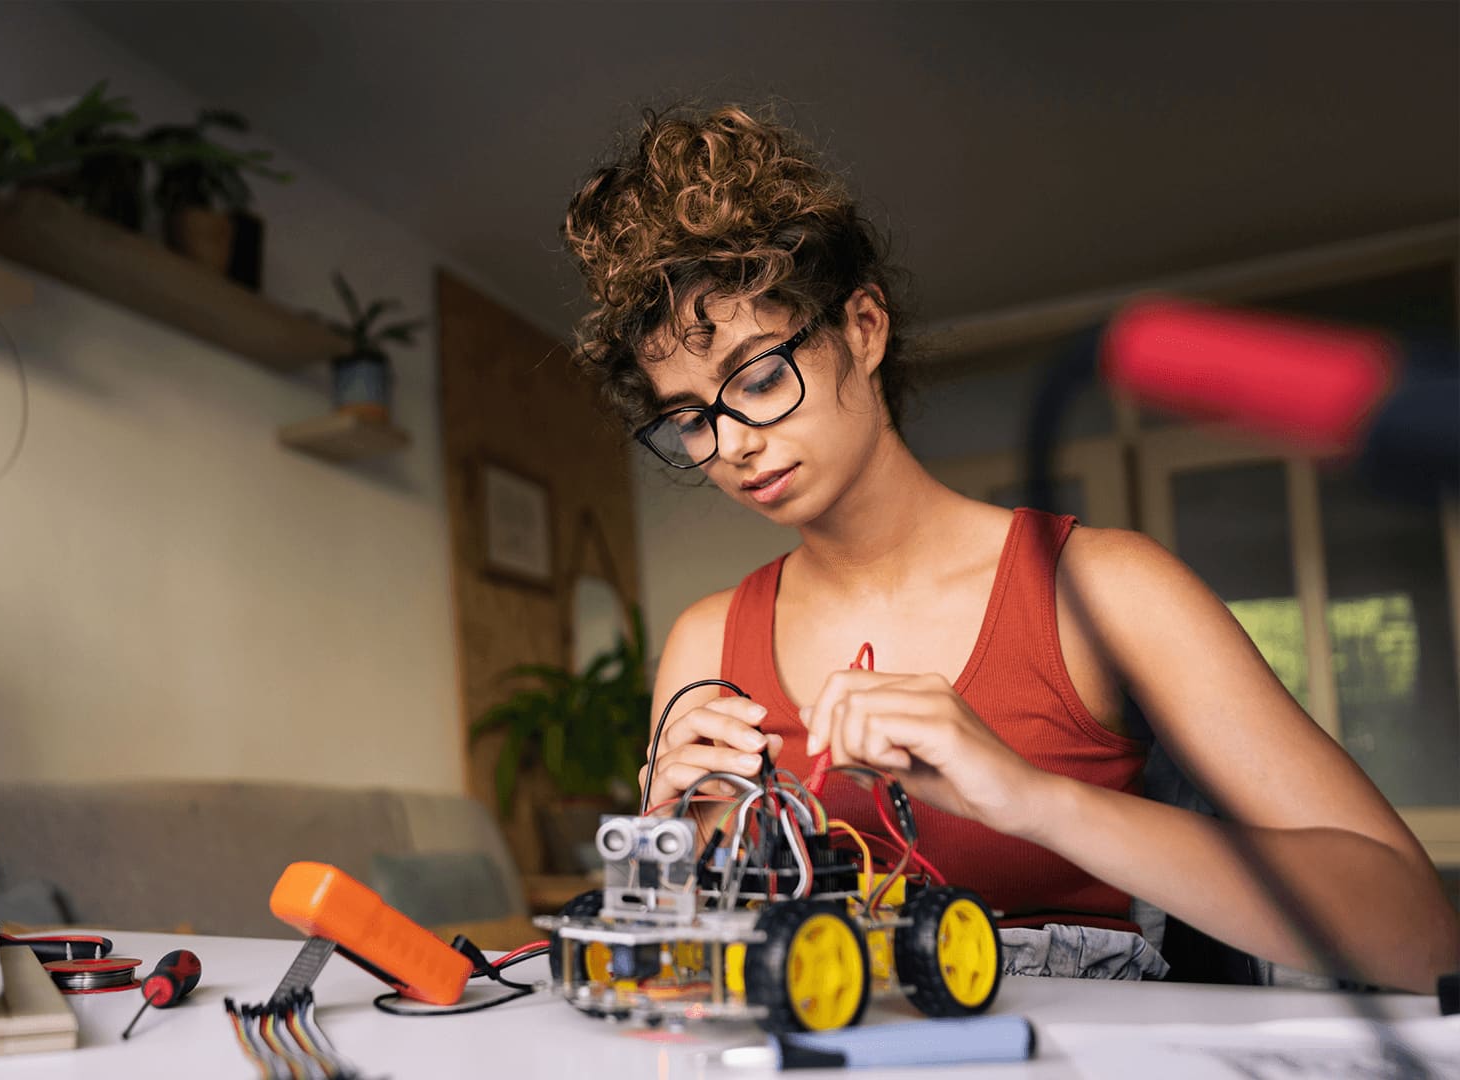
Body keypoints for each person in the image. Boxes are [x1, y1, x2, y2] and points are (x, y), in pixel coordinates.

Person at [558, 104, 1456, 991]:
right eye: (689, 418)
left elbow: (1422, 937)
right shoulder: (706, 644)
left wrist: (1030, 797)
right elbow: (678, 984)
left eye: (757, 376)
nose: (734, 443)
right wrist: (666, 849)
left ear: (864, 328)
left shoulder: (1106, 589)